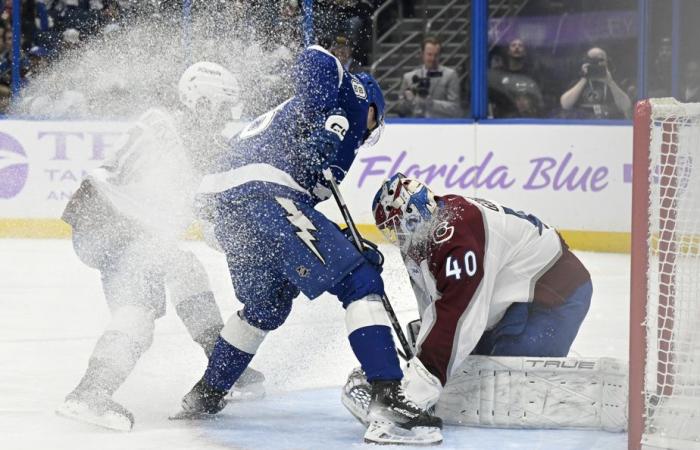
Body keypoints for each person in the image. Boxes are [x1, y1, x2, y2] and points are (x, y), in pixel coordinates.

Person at [175, 45, 443, 446]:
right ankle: (387, 397)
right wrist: (325, 119)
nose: (368, 131)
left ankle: (205, 394)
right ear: (374, 107)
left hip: (230, 207)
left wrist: (348, 244)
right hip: (260, 193)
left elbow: (298, 216)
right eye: (374, 123)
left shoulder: (329, 137)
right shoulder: (352, 95)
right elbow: (314, 57)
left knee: (266, 306)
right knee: (361, 282)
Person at [56, 62, 263, 432]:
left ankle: (220, 360)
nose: (227, 116)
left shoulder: (162, 119)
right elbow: (213, 211)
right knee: (138, 310)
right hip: (121, 223)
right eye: (223, 107)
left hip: (98, 214)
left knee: (184, 268)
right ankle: (90, 392)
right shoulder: (195, 139)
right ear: (202, 103)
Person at [341, 174, 612, 429]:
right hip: (510, 297)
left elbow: (458, 318)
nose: (396, 236)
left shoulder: (457, 238)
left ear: (412, 215)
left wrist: (412, 396)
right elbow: (435, 306)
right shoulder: (424, 231)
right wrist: (423, 353)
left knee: (507, 384)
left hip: (558, 294)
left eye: (396, 226)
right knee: (469, 371)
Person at [397, 36, 461, 118]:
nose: (433, 58)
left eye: (436, 55)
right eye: (429, 54)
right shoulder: (409, 77)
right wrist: (408, 102)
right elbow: (400, 111)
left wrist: (432, 103)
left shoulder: (450, 75)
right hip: (415, 127)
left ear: (440, 55)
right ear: (422, 54)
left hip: (441, 126)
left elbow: (455, 108)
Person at [559, 47, 631, 119]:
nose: (597, 63)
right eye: (592, 60)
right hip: (583, 123)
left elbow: (626, 106)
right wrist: (584, 79)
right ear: (586, 62)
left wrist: (610, 82)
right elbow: (565, 104)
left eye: (600, 60)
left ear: (607, 62)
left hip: (609, 123)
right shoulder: (579, 79)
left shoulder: (614, 79)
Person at [488, 38, 545, 118]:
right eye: (513, 45)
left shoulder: (532, 75)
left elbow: (540, 101)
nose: (517, 48)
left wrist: (529, 103)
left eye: (520, 46)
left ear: (525, 52)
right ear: (508, 51)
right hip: (503, 121)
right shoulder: (499, 74)